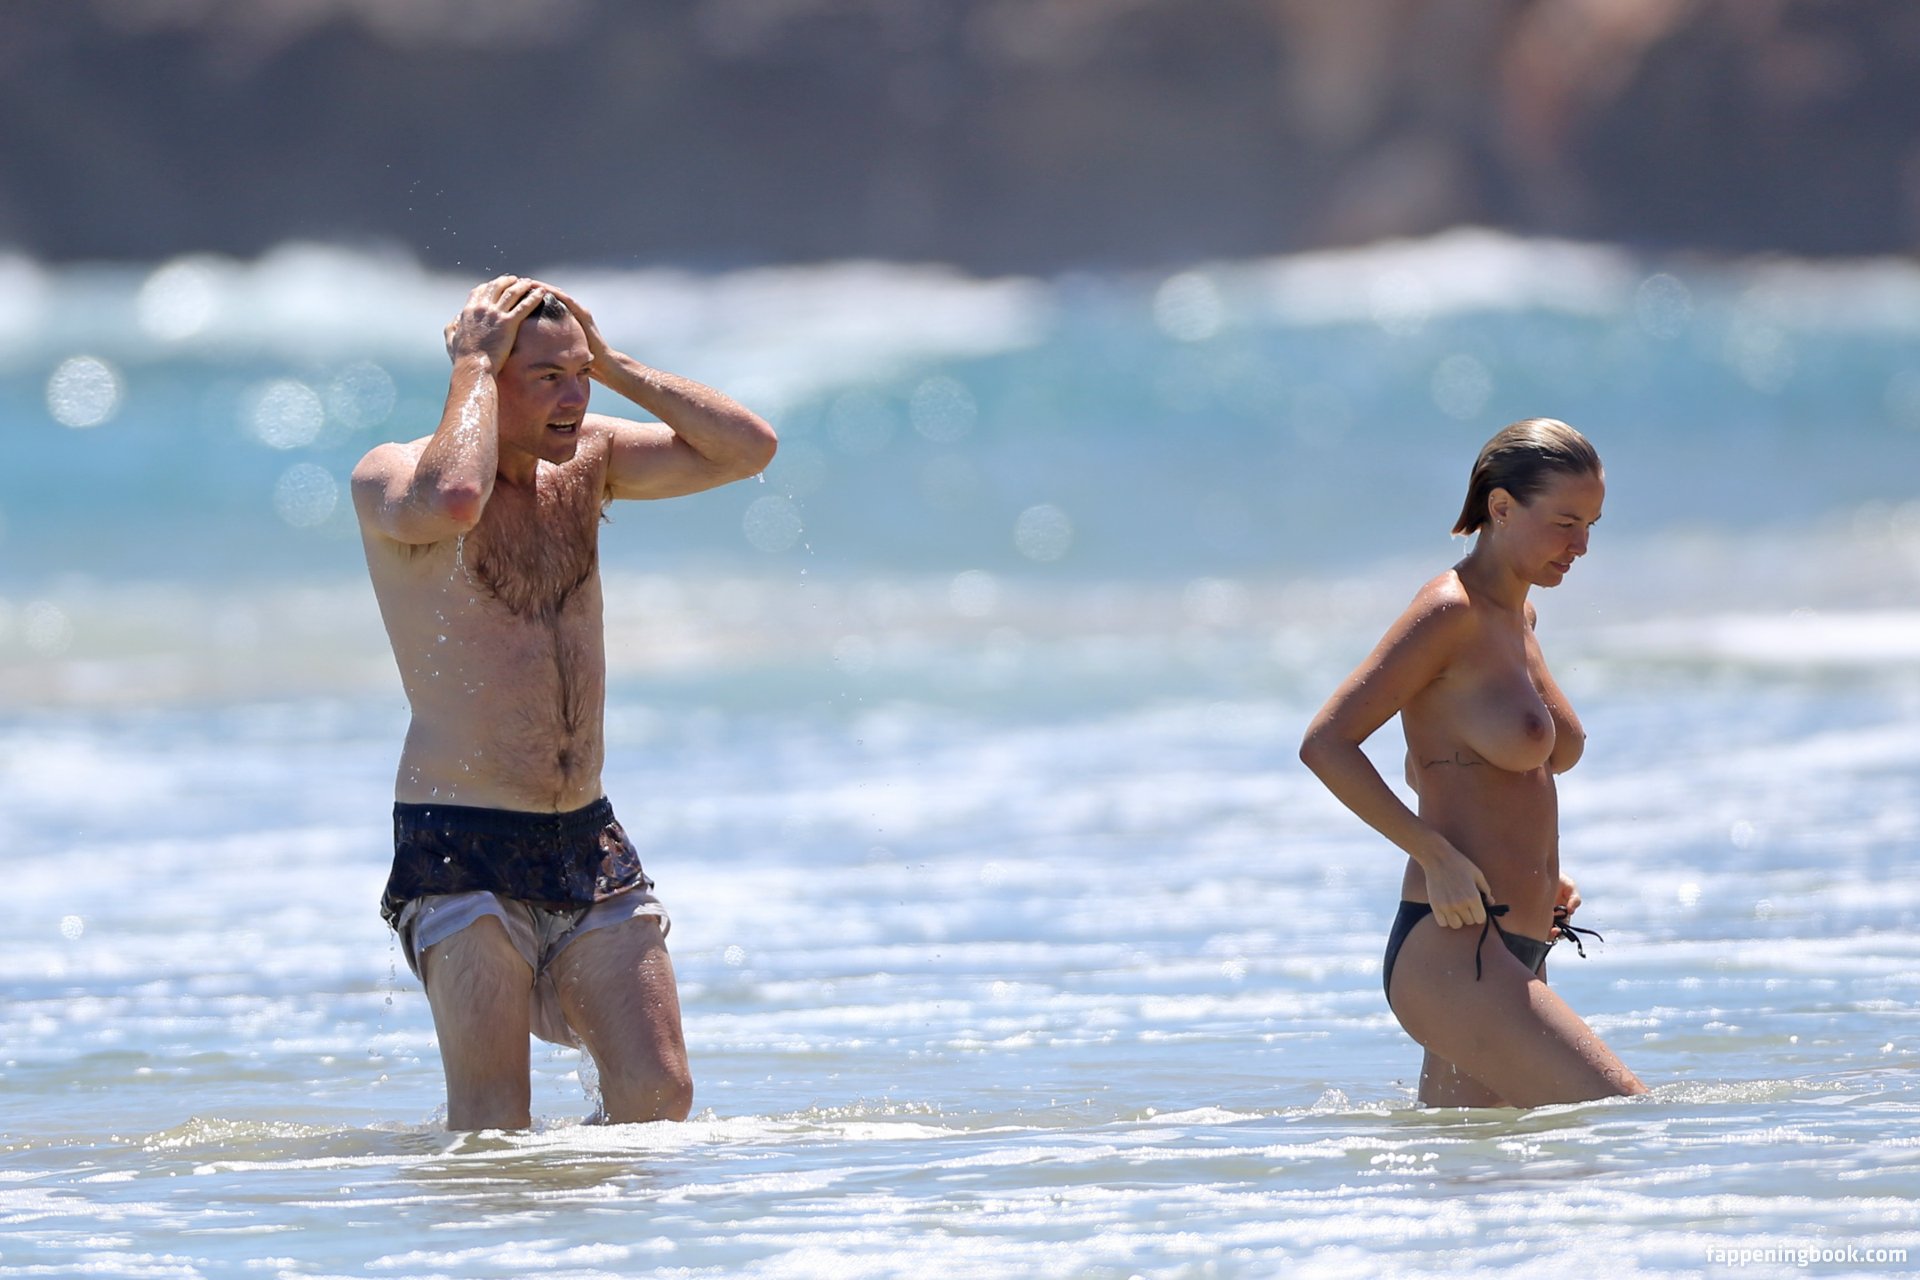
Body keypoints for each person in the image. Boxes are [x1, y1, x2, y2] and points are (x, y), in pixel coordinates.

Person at [352, 275, 777, 1129]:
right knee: (493, 1120)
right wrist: (473, 362)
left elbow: (747, 449)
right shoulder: (392, 475)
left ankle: (583, 1211)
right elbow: (456, 500)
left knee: (659, 1096)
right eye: (548, 378)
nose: (574, 399)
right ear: (486, 374)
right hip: (462, 842)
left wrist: (612, 364)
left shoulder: (588, 461)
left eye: (578, 375)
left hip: (584, 836)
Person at [1299, 418, 1645, 1107]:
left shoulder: (1520, 621)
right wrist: (1437, 857)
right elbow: (1327, 743)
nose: (1581, 545)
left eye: (1591, 526)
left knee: (1480, 1164)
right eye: (1565, 523)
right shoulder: (1447, 612)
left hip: (1518, 942)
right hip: (1457, 953)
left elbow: (1445, 762)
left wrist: (1534, 868)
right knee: (1626, 1120)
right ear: (1502, 507)